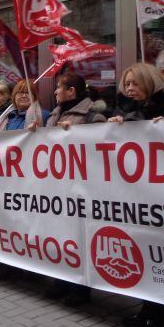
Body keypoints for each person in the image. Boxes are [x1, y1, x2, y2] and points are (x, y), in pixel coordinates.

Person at [107, 63, 164, 327]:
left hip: (159, 195)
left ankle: (157, 319)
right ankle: (145, 309)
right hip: (132, 194)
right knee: (138, 250)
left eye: (135, 84)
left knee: (154, 254)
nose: (129, 89)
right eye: (126, 84)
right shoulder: (123, 109)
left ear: (149, 83)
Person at [43, 73, 106, 306]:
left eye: (59, 88)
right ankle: (61, 280)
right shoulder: (54, 114)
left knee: (80, 238)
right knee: (61, 236)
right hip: (58, 188)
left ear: (71, 91)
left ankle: (81, 289)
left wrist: (75, 136)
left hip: (80, 190)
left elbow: (98, 151)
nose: (56, 92)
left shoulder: (93, 117)